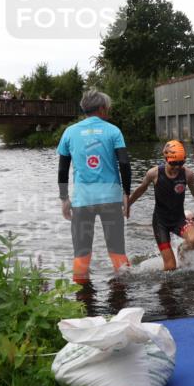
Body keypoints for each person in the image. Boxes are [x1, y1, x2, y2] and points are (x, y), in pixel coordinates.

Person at [57, 89, 132, 283]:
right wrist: (126, 193)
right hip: (111, 199)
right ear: (101, 108)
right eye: (107, 107)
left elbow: (62, 170)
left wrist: (64, 198)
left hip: (83, 201)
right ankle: (121, 297)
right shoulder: (113, 131)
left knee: (81, 252)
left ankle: (82, 302)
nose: (108, 110)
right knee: (117, 250)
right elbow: (124, 163)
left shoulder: (70, 132)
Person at [129, 140, 194, 271]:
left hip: (178, 219)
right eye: (173, 163)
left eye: (181, 163)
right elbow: (141, 189)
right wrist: (127, 205)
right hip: (161, 223)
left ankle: (181, 250)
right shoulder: (154, 173)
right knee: (170, 267)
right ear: (166, 159)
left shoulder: (188, 174)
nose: (177, 166)